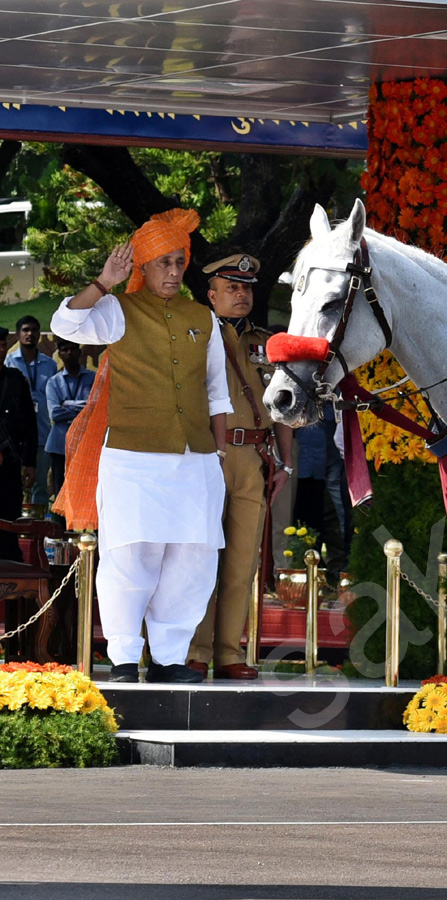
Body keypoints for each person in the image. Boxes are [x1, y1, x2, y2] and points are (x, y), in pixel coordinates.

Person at [51, 208, 233, 684]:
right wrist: (102, 282)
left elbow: (217, 392)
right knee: (132, 557)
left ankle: (171, 659)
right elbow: (65, 325)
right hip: (132, 459)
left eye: (179, 262)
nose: (173, 272)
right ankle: (126, 658)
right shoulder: (117, 311)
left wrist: (217, 454)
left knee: (192, 558)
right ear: (143, 268)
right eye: (162, 263)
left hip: (195, 460)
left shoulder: (203, 317)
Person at [186, 254, 293, 681]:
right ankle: (194, 651)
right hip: (206, 457)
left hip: (254, 458)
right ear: (211, 295)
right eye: (232, 287)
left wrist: (284, 463)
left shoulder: (267, 343)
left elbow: (283, 408)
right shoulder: (194, 337)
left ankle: (229, 653)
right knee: (198, 560)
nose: (242, 294)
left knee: (241, 563)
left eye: (246, 287)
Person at [5, 315, 57, 507]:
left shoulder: (49, 364)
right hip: (17, 436)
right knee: (13, 485)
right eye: (25, 330)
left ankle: (38, 527)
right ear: (18, 335)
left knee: (41, 485)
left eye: (34, 330)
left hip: (43, 433)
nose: (30, 334)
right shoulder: (9, 363)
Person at [44, 337, 95, 502]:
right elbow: (55, 413)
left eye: (73, 349)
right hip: (60, 444)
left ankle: (93, 528)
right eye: (65, 350)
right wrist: (83, 407)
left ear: (79, 352)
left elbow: (94, 409)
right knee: (61, 491)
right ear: (59, 354)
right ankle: (61, 528)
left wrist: (68, 404)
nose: (69, 353)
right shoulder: (53, 382)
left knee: (89, 488)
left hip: (85, 442)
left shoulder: (92, 378)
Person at [0, 327, 36, 562]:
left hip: (9, 467)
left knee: (9, 523)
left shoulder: (15, 380)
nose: (1, 349)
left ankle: (11, 590)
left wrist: (30, 463)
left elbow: (29, 425)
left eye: (3, 344)